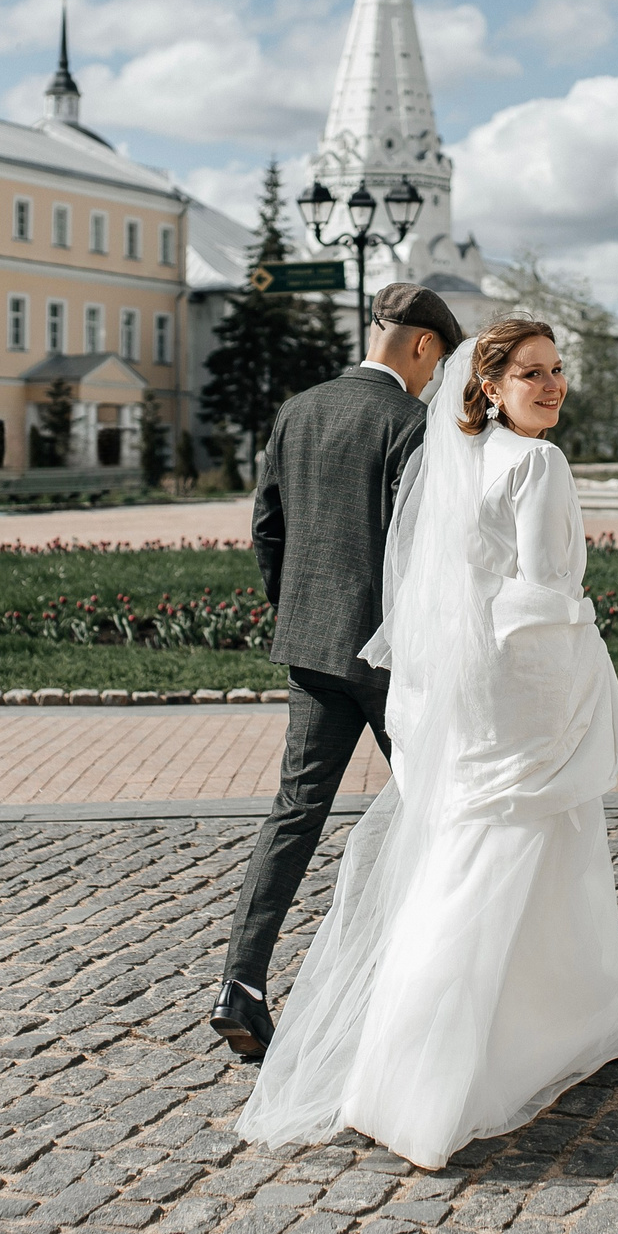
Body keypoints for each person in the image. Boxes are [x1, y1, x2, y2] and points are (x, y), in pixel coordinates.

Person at [234, 318, 618, 1171]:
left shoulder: (463, 457)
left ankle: (427, 1051)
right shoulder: (537, 462)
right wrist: (587, 634)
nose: (552, 385)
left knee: (465, 854)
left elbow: (428, 575)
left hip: (460, 689)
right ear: (489, 384)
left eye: (557, 370)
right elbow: (545, 588)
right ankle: (470, 1060)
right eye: (531, 373)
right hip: (527, 691)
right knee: (518, 853)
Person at [210, 281, 468, 1060]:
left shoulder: (298, 410)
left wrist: (296, 613)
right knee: (440, 812)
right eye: (437, 362)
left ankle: (241, 983)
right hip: (394, 659)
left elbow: (267, 529)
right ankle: (433, 992)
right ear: (422, 345)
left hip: (312, 650)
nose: (433, 378)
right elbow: (420, 551)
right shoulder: (411, 424)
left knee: (295, 813)